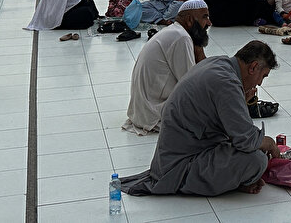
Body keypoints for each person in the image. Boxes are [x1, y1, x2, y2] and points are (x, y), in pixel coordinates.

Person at [118, 40, 281, 196]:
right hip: (180, 167)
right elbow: (246, 140)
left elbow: (229, 127)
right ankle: (205, 183)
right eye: (263, 76)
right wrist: (271, 144)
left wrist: (241, 103)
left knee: (252, 154)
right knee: (257, 160)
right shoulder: (228, 83)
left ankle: (232, 181)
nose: (259, 83)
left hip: (180, 154)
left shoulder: (220, 63)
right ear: (253, 67)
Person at [122, 1, 211, 136]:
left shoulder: (175, 32)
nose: (209, 23)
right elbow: (193, 85)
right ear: (189, 20)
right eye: (205, 17)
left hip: (143, 110)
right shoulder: (181, 38)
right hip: (154, 113)